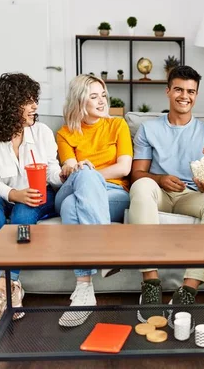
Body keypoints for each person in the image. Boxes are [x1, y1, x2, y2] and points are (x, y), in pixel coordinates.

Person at [128, 65, 204, 315]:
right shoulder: (149, 129)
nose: (184, 96)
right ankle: (150, 283)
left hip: (192, 195)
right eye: (178, 90)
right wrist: (159, 178)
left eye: (191, 91)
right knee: (142, 185)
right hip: (159, 193)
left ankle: (188, 289)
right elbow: (136, 174)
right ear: (168, 91)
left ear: (196, 95)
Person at [0, 73, 62, 330]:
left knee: (23, 211)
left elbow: (52, 172)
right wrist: (14, 194)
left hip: (39, 196)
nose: (35, 106)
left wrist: (63, 174)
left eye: (35, 100)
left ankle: (3, 285)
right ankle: (12, 286)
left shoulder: (41, 132)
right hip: (5, 196)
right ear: (8, 105)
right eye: (28, 101)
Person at [54, 74, 133, 327]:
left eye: (103, 95)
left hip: (113, 192)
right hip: (73, 186)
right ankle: (105, 254)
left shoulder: (117, 125)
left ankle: (84, 289)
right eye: (94, 96)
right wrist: (79, 171)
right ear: (79, 101)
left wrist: (90, 175)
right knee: (81, 179)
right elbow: (68, 166)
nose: (102, 101)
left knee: (70, 207)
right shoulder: (65, 133)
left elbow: (124, 168)